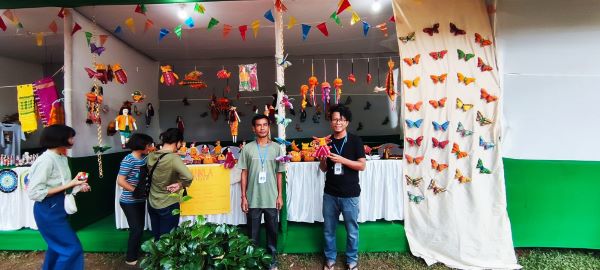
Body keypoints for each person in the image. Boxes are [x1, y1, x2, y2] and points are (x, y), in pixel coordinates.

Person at [27, 125, 91, 270]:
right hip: (48, 209)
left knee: (57, 249)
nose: (73, 140)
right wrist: (71, 184)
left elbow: (60, 183)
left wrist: (78, 186)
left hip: (57, 206)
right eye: (70, 137)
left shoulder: (61, 157)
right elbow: (34, 192)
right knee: (71, 249)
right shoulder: (46, 160)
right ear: (60, 138)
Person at [318, 105, 366, 270]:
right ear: (331, 121)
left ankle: (351, 261)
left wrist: (342, 160)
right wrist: (323, 158)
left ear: (347, 122)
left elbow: (361, 166)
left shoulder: (355, 140)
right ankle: (330, 259)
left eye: (341, 119)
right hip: (330, 193)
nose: (337, 122)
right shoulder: (327, 141)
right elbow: (323, 168)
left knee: (352, 230)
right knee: (328, 229)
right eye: (334, 119)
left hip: (350, 193)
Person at [239, 114, 285, 270]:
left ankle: (271, 260)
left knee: (272, 231)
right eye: (258, 125)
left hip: (271, 198)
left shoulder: (277, 148)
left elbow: (280, 173)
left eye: (265, 124)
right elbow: (243, 173)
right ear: (254, 128)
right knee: (253, 234)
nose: (262, 127)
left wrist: (279, 196)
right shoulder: (247, 148)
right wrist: (244, 197)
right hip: (253, 198)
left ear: (269, 127)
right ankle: (254, 260)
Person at [146, 128, 193, 241]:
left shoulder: (151, 155)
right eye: (180, 142)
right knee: (168, 238)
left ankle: (156, 256)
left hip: (152, 201)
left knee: (157, 234)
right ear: (177, 142)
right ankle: (166, 257)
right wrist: (181, 184)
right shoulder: (173, 158)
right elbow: (189, 177)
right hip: (168, 202)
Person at [117, 133, 154, 266]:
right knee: (136, 229)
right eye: (148, 145)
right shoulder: (129, 160)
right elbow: (120, 181)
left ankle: (135, 253)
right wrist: (136, 191)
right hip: (128, 201)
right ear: (141, 145)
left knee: (139, 228)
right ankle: (130, 257)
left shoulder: (144, 158)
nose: (150, 147)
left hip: (139, 200)